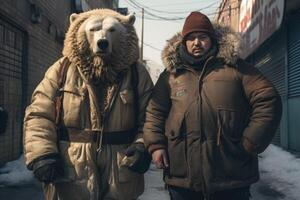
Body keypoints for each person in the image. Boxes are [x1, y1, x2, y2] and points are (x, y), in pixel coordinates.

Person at [143, 11, 282, 200]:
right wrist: (156, 145)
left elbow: (268, 100)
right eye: (191, 38)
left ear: (213, 39)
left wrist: (250, 142)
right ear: (184, 42)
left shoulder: (236, 68)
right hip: (182, 177)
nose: (196, 42)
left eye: (202, 36)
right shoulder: (170, 76)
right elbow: (154, 112)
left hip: (231, 176)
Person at [23, 9, 153, 200]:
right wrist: (42, 154)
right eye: (93, 30)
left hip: (120, 171)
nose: (102, 37)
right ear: (80, 31)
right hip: (72, 171)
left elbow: (151, 117)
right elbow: (39, 114)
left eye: (112, 31)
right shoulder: (62, 70)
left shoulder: (136, 74)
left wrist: (142, 145)